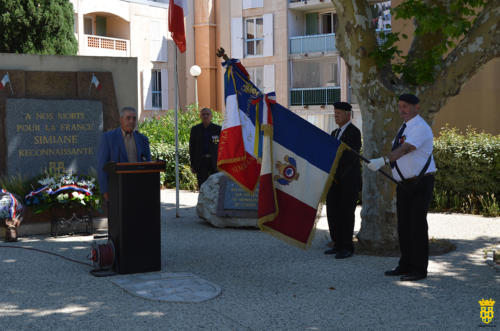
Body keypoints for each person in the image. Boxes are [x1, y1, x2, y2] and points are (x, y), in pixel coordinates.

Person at [367, 93, 436, 281]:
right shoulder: (405, 127)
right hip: (405, 184)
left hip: (420, 183)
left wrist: (382, 161)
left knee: (417, 226)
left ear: (416, 107)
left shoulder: (420, 127)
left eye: (405, 106)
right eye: (400, 106)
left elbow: (405, 149)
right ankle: (405, 264)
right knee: (404, 226)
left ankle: (419, 269)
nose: (402, 110)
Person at [324, 102, 361, 259]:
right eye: (335, 113)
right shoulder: (333, 133)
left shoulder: (354, 132)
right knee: (333, 213)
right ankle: (337, 244)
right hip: (333, 182)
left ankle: (347, 247)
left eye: (339, 113)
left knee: (346, 214)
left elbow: (350, 156)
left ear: (348, 114)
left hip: (348, 181)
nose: (336, 116)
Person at [97, 107, 151, 200]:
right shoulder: (108, 138)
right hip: (117, 188)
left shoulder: (143, 139)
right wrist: (105, 190)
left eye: (134, 118)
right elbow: (102, 165)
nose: (131, 121)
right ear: (121, 119)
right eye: (128, 118)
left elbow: (148, 164)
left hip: (138, 188)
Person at [189, 108, 221, 189]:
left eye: (207, 114)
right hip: (201, 162)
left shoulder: (218, 129)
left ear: (211, 116)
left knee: (216, 186)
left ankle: (215, 202)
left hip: (214, 162)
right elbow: (192, 148)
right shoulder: (195, 129)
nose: (205, 116)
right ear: (200, 116)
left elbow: (222, 147)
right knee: (202, 186)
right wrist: (193, 164)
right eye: (203, 114)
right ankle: (203, 202)